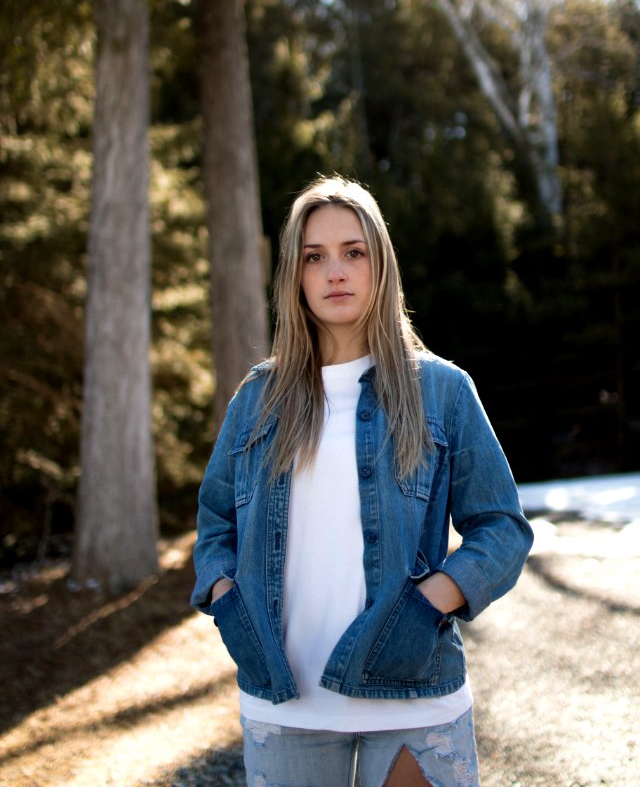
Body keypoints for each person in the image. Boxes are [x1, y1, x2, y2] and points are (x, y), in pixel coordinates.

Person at [192, 175, 533, 787]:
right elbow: (217, 521)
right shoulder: (256, 399)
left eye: (354, 252)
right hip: (284, 704)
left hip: (415, 700)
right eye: (314, 257)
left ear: (382, 266)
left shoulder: (443, 391)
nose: (335, 272)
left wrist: (429, 604)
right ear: (295, 276)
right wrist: (226, 600)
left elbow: (501, 529)